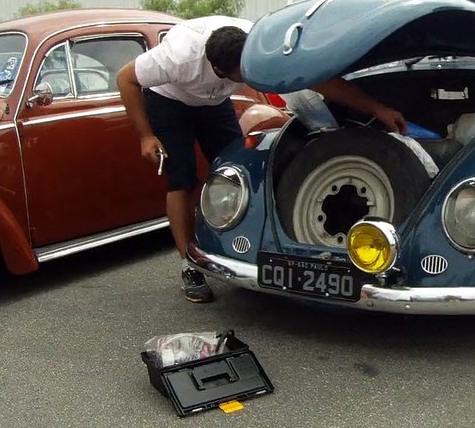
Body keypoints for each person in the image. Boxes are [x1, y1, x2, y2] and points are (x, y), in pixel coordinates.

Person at [116, 16, 407, 302]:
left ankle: (231, 244)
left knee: (234, 167)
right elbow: (125, 78)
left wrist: (376, 109)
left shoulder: (262, 46)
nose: (247, 77)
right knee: (182, 178)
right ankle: (189, 265)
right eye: (240, 75)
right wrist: (145, 136)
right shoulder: (178, 58)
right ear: (218, 69)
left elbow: (318, 81)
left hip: (214, 102)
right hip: (169, 100)